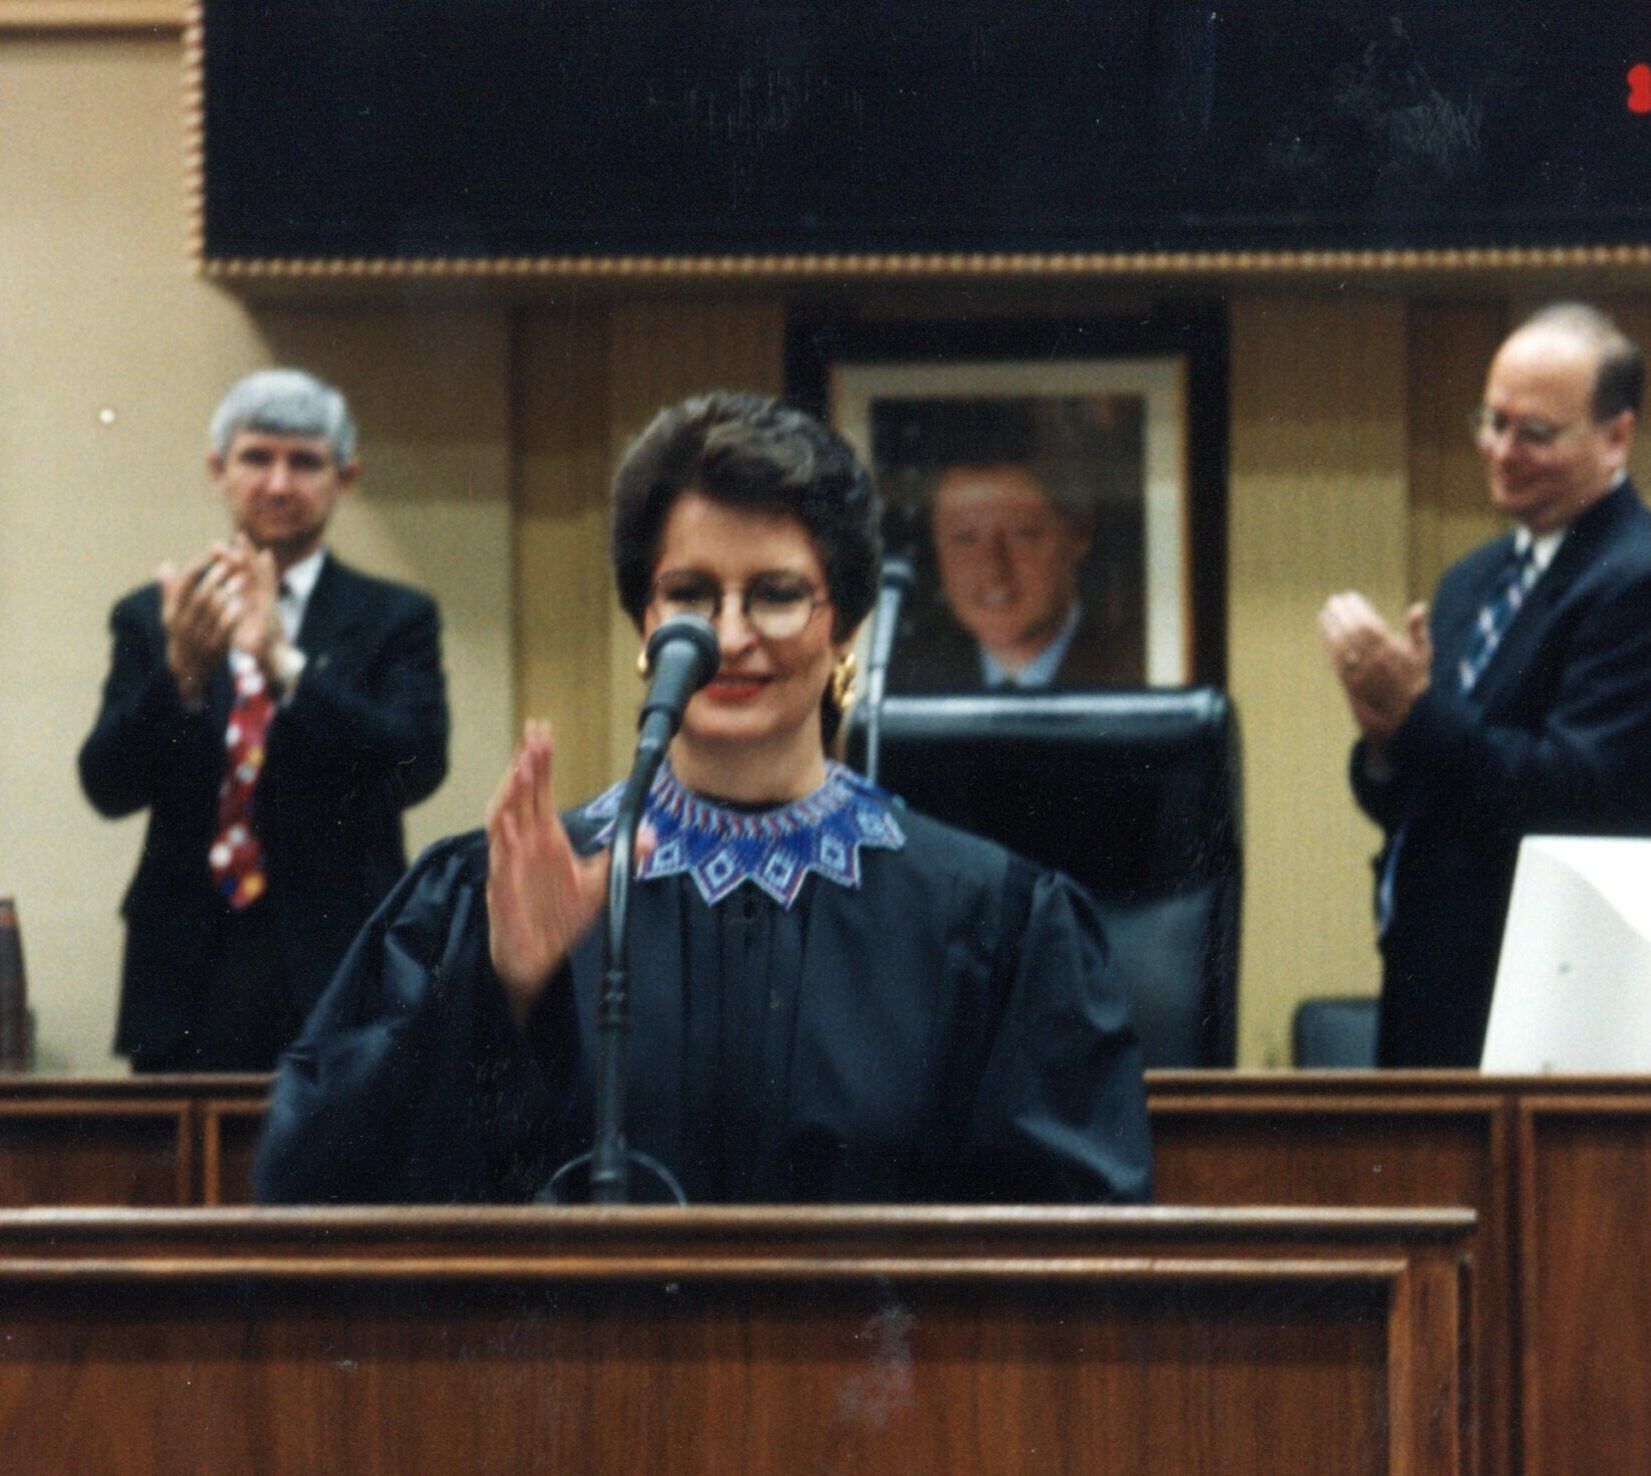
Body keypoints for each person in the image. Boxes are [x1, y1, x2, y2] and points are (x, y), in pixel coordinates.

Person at [254, 392, 1150, 1205]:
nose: (727, 636)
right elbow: (312, 1189)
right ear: (643, 623)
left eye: (776, 595)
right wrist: (501, 993)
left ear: (843, 626)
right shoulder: (485, 897)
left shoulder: (993, 925)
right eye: (688, 594)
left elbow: (1073, 1251)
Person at [79, 369, 450, 1072]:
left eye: (305, 462)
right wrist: (180, 677)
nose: (278, 484)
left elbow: (417, 763)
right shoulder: (156, 616)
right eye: (256, 457)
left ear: (344, 478)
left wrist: (287, 667)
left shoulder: (394, 618)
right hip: (186, 972)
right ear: (218, 471)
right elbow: (106, 786)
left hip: (338, 961)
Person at [1320, 303, 1651, 1067]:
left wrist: (1416, 713)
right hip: (1428, 971)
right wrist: (1383, 742)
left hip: (1546, 995)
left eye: (1532, 432)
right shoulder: (1473, 580)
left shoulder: (1634, 579)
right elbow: (1430, 796)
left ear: (1615, 437)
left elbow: (1576, 792)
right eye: (1490, 421)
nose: (1500, 451)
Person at [889, 459, 1136, 691]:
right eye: (965, 539)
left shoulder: (1137, 669)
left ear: (1079, 535)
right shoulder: (904, 683)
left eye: (1022, 535)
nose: (993, 568)